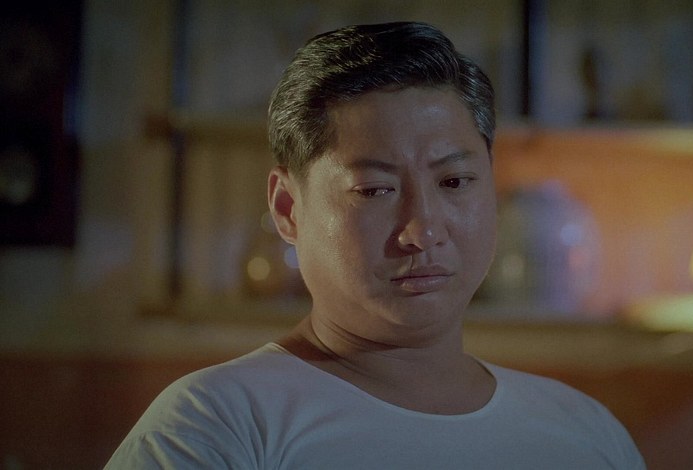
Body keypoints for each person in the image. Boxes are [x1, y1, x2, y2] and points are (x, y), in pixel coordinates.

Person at [106, 21, 645, 469]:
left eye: (454, 182)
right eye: (374, 190)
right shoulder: (216, 427)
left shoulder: (586, 433)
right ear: (288, 209)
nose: (423, 231)